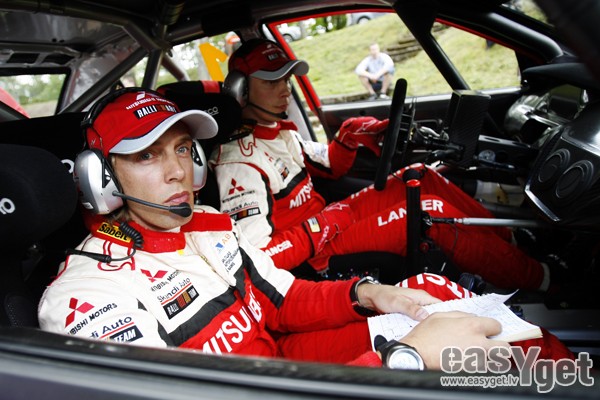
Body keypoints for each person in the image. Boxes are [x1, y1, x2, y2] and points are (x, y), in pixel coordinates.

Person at [38, 88, 571, 368]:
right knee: (452, 354)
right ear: (101, 179)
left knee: (436, 296)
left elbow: (282, 299)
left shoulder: (207, 227)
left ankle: (575, 379)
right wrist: (406, 359)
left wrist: (369, 293)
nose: (178, 171)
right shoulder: (87, 296)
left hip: (282, 356)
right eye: (147, 156)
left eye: (182, 149)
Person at [210, 38, 553, 292]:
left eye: (286, 79)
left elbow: (331, 166)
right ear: (241, 91)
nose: (285, 90)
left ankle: (512, 243)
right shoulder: (239, 163)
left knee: (420, 176)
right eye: (272, 82)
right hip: (314, 255)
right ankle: (544, 280)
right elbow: (259, 260)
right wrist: (319, 227)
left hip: (330, 223)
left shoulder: (281, 133)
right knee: (427, 213)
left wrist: (352, 132)